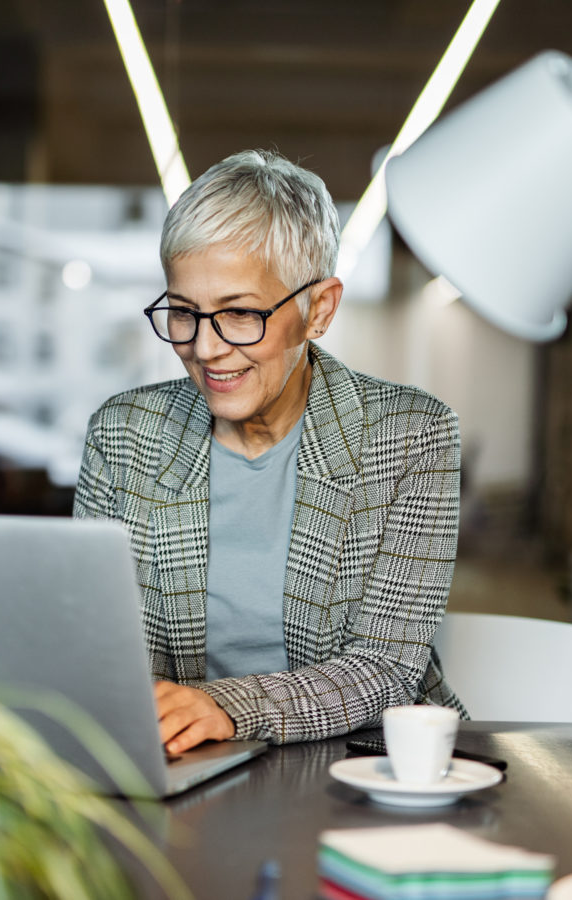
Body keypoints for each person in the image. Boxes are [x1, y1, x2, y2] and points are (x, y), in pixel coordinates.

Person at [74, 149, 465, 755]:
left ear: (320, 310)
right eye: (183, 313)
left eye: (238, 314)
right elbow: (98, 647)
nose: (205, 348)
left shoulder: (409, 435)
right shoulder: (123, 436)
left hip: (367, 763)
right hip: (182, 757)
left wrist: (228, 706)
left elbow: (385, 670)